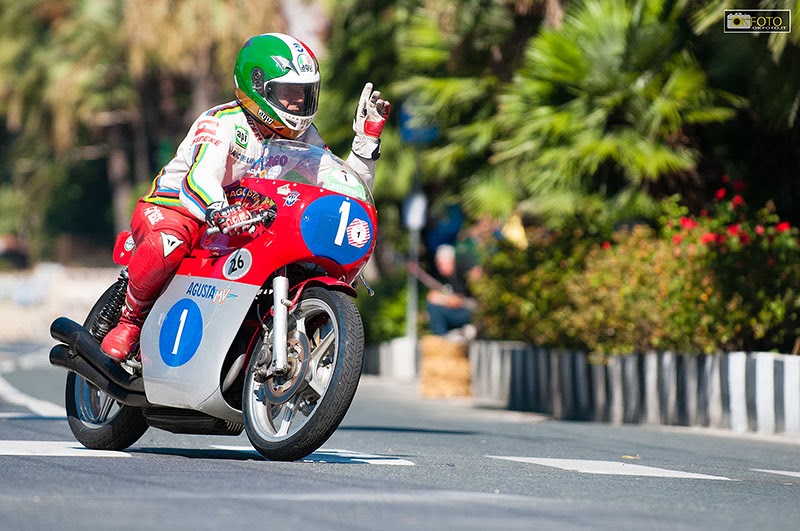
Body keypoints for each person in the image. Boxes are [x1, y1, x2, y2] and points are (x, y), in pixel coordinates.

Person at [101, 33, 391, 361]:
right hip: (180, 208)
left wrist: (365, 145)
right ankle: (131, 321)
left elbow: (342, 185)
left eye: (305, 93)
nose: (299, 103)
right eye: (289, 93)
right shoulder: (222, 123)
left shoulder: (305, 137)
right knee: (168, 244)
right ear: (258, 87)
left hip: (248, 219)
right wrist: (219, 210)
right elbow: (200, 178)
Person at [425, 244, 478, 337]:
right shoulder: (441, 277)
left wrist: (445, 299)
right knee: (433, 307)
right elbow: (432, 296)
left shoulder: (463, 270)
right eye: (439, 264)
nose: (441, 268)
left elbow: (462, 301)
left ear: (452, 261)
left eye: (443, 264)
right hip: (453, 312)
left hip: (469, 312)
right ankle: (442, 338)